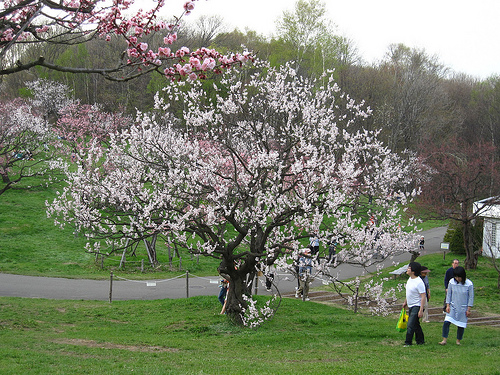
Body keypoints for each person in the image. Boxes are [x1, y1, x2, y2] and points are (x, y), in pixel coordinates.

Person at [439, 266, 474, 346]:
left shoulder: (469, 284)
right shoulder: (452, 282)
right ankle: (444, 340)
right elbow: (449, 294)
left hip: (463, 307)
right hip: (453, 306)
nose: (457, 279)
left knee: (461, 325)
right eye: (456, 277)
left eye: (459, 277)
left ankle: (458, 341)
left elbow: (471, 297)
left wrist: (468, 309)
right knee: (446, 322)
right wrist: (447, 305)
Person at [402, 262, 426, 346]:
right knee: (416, 324)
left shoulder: (419, 282)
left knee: (410, 324)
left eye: (409, 268)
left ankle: (408, 342)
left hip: (417, 305)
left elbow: (423, 296)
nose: (407, 269)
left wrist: (421, 310)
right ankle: (420, 340)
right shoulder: (410, 279)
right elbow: (408, 293)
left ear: (413, 271)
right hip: (411, 305)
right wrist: (405, 302)